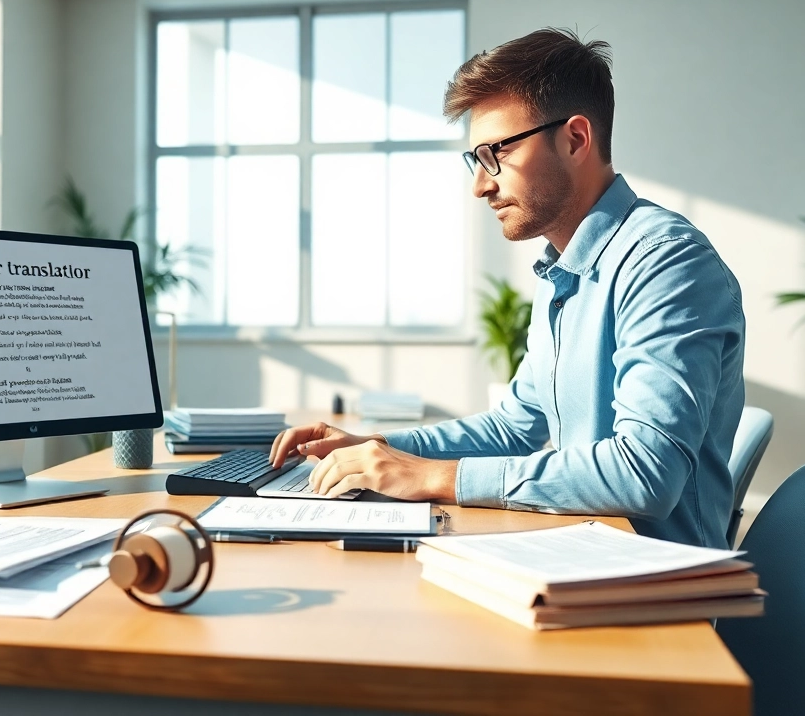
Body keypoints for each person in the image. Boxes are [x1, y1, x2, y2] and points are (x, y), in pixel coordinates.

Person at [269, 28, 745, 548]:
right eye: (475, 160)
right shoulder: (563, 270)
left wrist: (434, 477)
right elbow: (513, 427)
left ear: (575, 139)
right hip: (584, 553)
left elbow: (644, 473)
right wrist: (378, 446)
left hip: (659, 580)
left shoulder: (665, 263)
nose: (481, 184)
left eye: (496, 152)